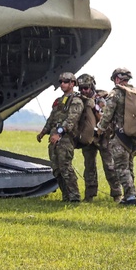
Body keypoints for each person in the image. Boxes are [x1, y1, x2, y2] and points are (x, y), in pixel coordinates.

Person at [94, 67, 136, 206]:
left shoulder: (116, 93)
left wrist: (100, 129)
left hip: (120, 136)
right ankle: (129, 195)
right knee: (129, 166)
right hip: (135, 136)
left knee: (121, 167)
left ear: (116, 79)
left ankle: (131, 197)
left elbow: (107, 115)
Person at [36, 71, 85, 203]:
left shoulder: (76, 101)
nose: (62, 84)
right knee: (56, 169)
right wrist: (44, 131)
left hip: (65, 138)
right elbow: (52, 117)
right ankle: (66, 196)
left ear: (72, 84)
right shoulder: (59, 101)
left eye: (66, 81)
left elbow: (71, 120)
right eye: (61, 82)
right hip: (54, 138)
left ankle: (74, 196)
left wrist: (59, 134)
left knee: (65, 167)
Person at [76, 73, 122, 202]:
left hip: (104, 137)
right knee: (89, 167)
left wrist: (94, 108)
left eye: (86, 88)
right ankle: (90, 194)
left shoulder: (101, 100)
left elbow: (104, 118)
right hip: (88, 137)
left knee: (109, 166)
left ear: (92, 86)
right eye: (81, 88)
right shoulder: (80, 100)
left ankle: (117, 194)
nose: (84, 91)